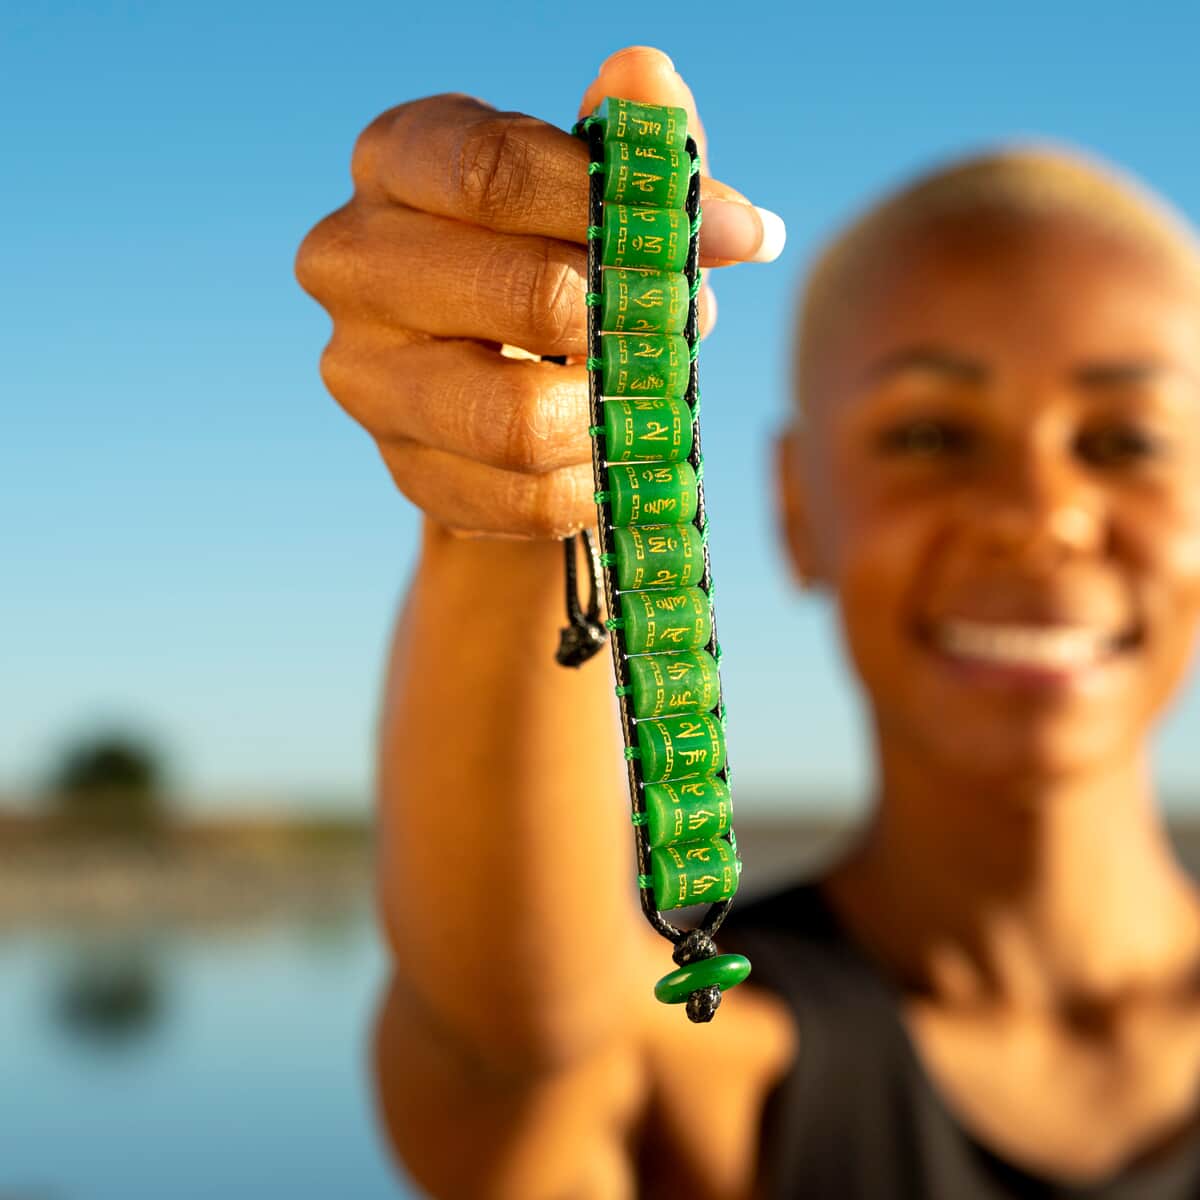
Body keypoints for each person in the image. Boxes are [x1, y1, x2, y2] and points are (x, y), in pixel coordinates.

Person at [295, 45, 1200, 1200]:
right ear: (793, 504)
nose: (1040, 517)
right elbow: (515, 1046)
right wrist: (520, 466)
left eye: (1127, 441)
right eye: (929, 436)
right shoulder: (705, 1071)